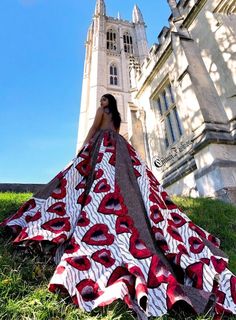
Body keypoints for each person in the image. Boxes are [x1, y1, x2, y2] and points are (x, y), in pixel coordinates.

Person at [0, 93, 235, 320]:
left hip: (104, 145)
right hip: (121, 147)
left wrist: (83, 151)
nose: (101, 102)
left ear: (106, 103)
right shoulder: (117, 117)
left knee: (101, 182)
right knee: (131, 184)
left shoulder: (102, 112)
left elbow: (93, 130)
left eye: (104, 99)